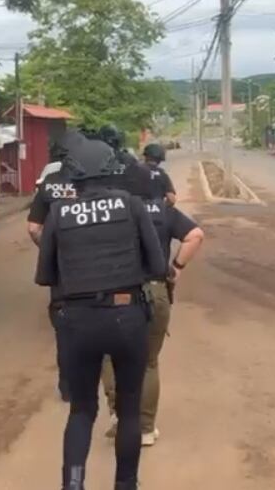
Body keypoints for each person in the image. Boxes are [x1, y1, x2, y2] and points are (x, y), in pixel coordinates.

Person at [35, 139, 166, 490]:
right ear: (111, 169)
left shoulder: (58, 213)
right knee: (129, 407)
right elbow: (158, 266)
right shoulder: (131, 205)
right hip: (128, 316)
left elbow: (45, 276)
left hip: (77, 321)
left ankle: (73, 483)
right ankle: (126, 484)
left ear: (73, 174)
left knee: (81, 410)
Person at [101, 181, 204, 447]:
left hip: (116, 293)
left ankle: (119, 413)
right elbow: (195, 235)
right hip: (154, 291)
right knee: (148, 362)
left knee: (110, 356)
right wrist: (176, 267)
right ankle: (145, 429)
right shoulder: (164, 210)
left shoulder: (110, 209)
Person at [27, 130, 87, 402]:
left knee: (64, 325)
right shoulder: (91, 182)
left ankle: (67, 385)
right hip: (90, 262)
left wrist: (49, 249)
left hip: (61, 268)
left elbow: (33, 228)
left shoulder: (49, 183)